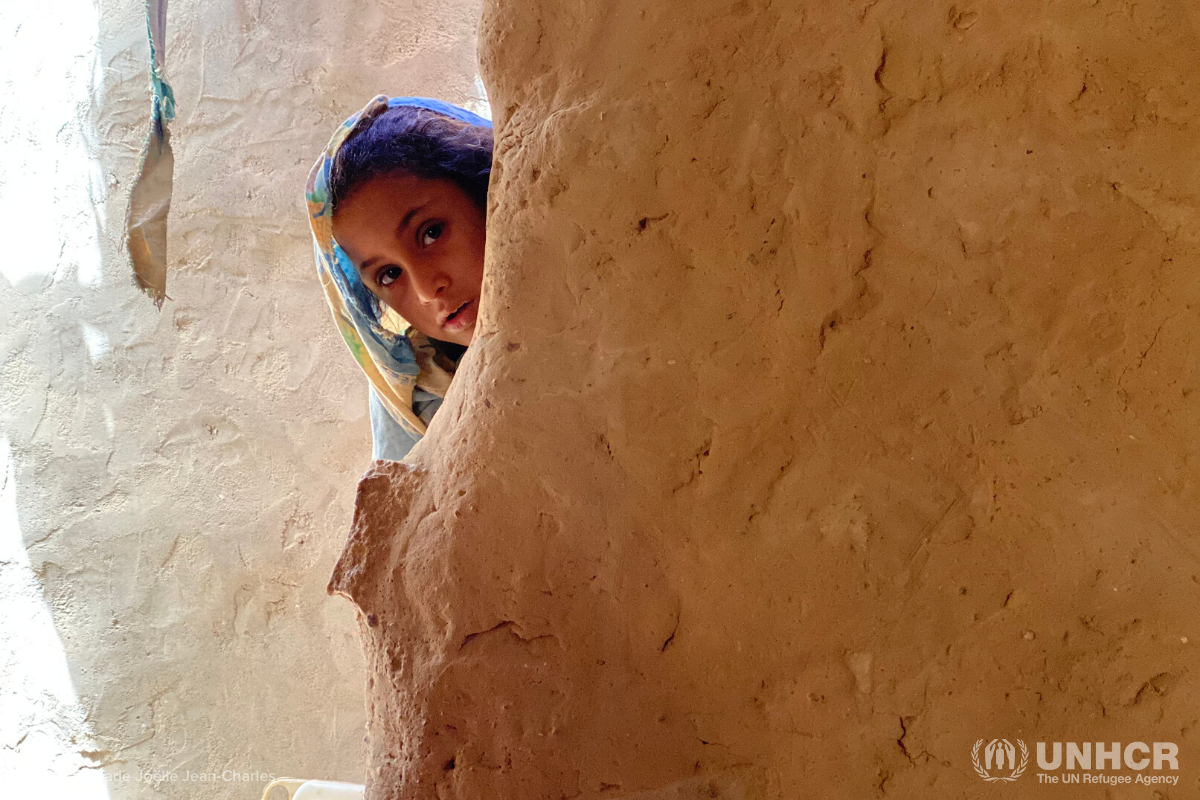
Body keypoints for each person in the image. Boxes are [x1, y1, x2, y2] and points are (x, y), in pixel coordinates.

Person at [305, 95, 493, 460]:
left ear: (485, 193)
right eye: (389, 275)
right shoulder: (421, 413)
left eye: (431, 233)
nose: (426, 290)